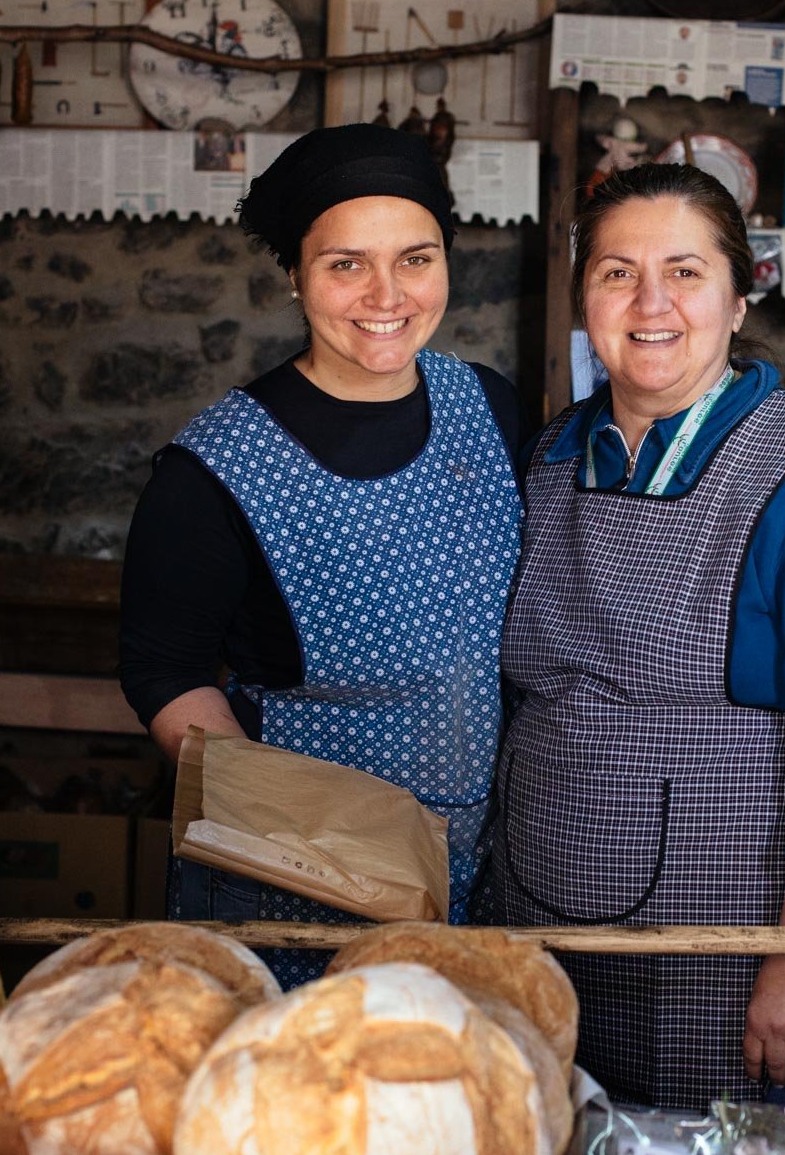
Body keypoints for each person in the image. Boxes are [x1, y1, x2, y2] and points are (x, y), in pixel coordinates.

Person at [483, 162, 785, 1113]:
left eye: (685, 272)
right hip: (540, 941)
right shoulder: (551, 460)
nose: (651, 303)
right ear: (584, 300)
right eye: (616, 273)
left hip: (733, 962)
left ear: (738, 299)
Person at [120, 125, 525, 986]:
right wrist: (290, 833)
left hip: (486, 862)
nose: (387, 294)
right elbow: (165, 668)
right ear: (296, 276)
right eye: (346, 264)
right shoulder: (216, 466)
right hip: (299, 882)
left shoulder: (489, 408)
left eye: (415, 259)